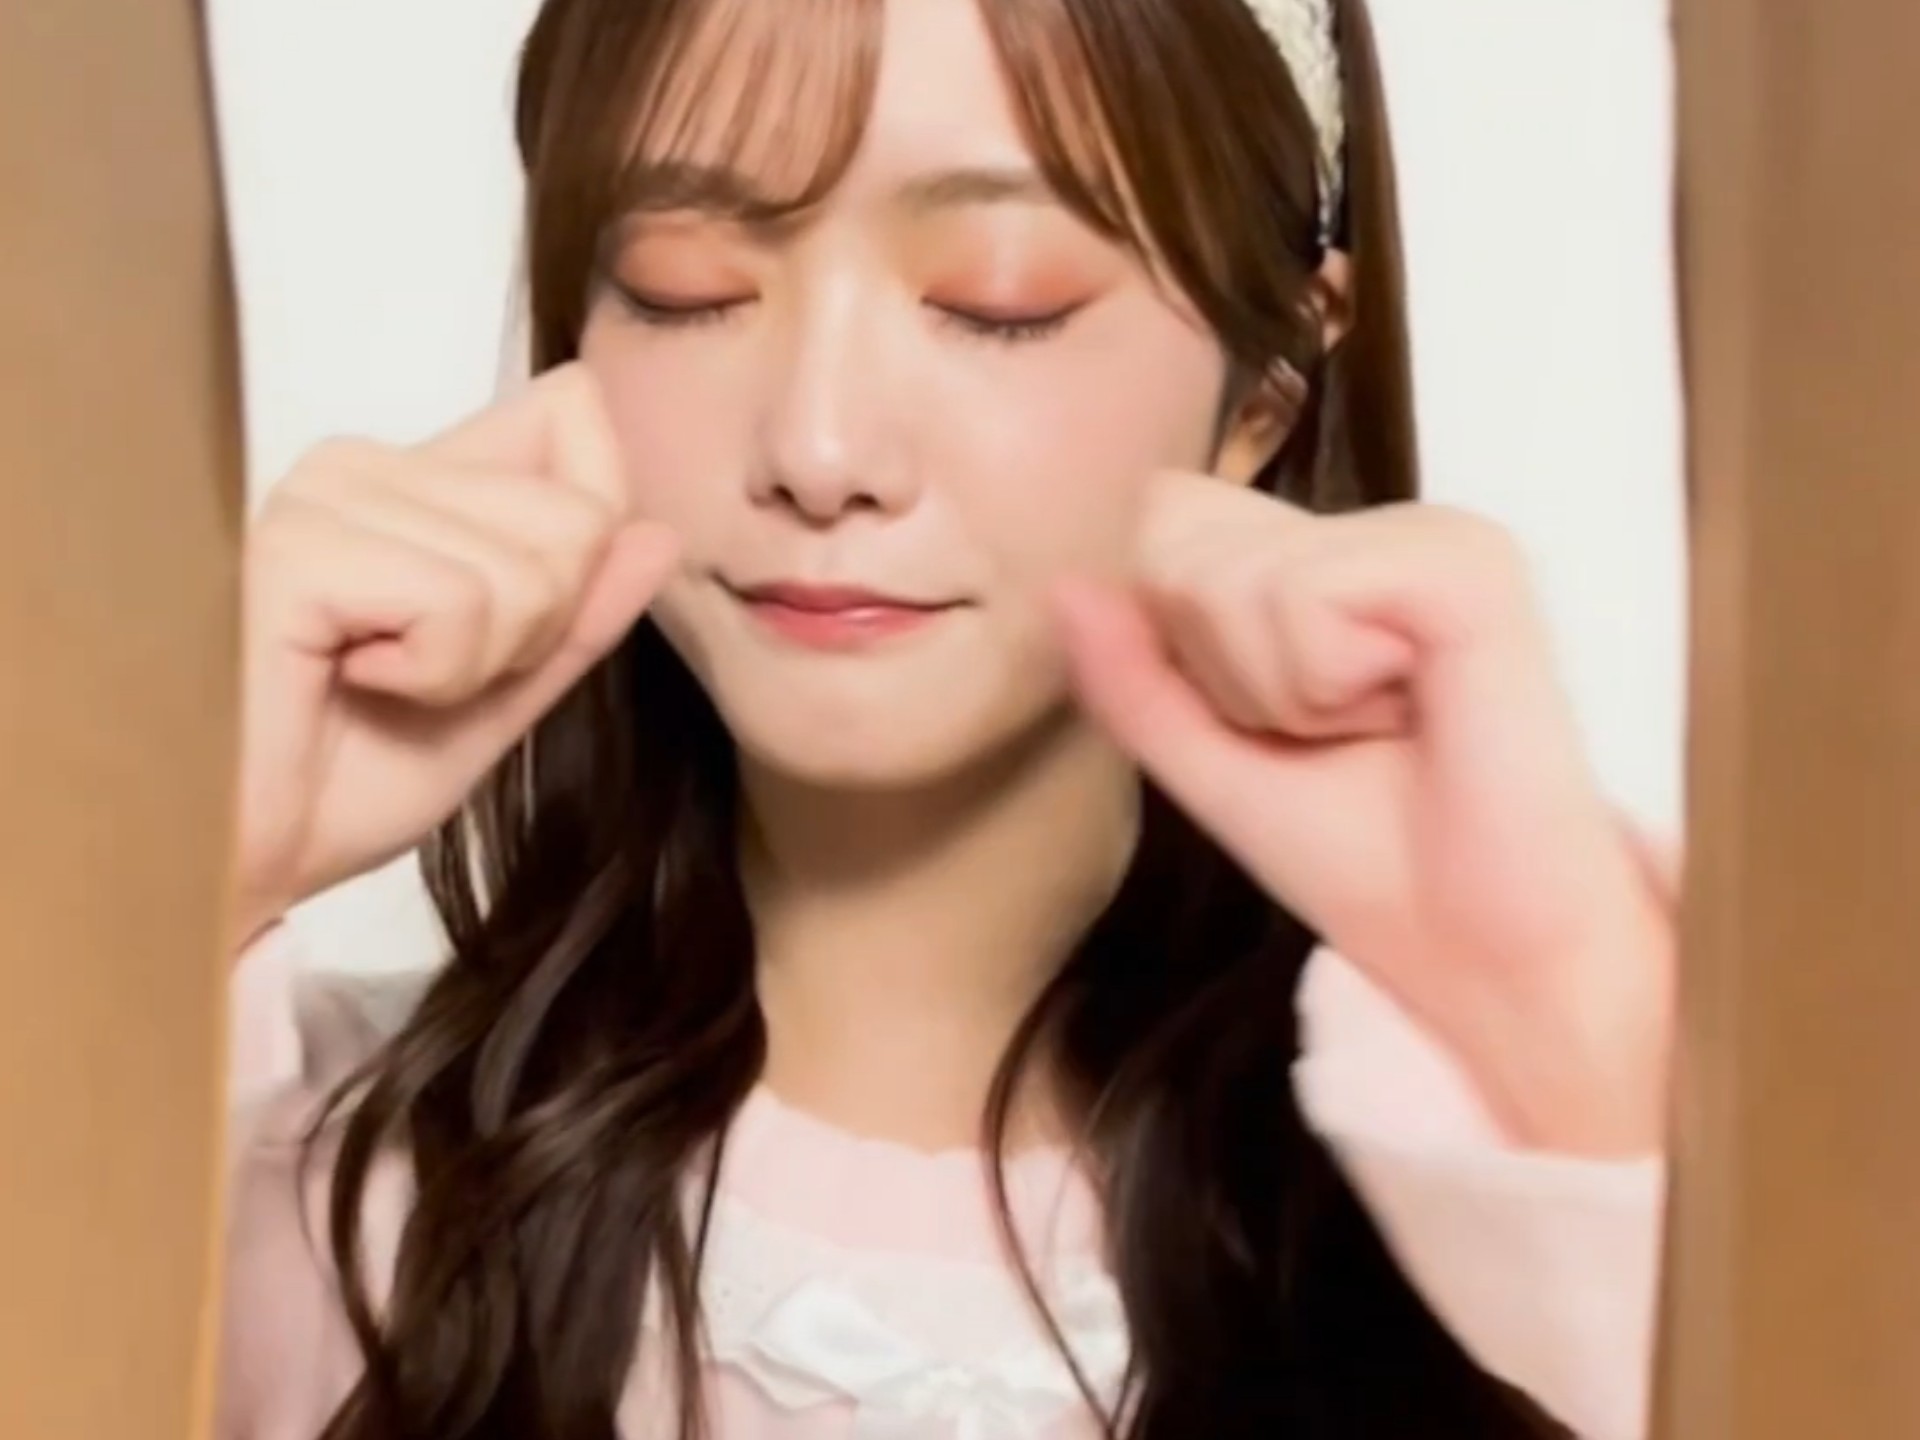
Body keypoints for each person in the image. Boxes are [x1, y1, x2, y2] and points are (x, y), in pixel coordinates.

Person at [218, 0, 1673, 1436]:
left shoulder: (1553, 1234)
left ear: (1269, 387)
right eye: (684, 282)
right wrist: (188, 875)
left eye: (997, 298)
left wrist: (1570, 1048)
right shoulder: (282, 1191)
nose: (819, 449)